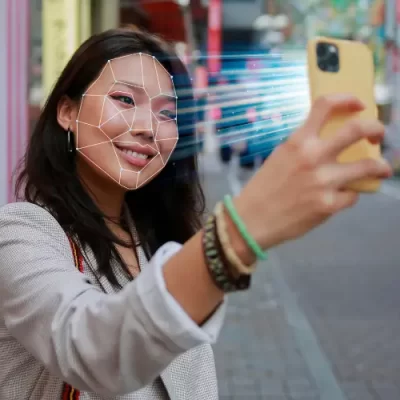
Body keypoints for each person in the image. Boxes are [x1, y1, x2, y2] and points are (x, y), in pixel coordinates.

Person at [0, 28, 392, 400]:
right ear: (67, 112)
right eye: (124, 100)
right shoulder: (23, 233)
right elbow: (90, 347)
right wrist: (240, 231)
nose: (148, 128)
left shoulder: (160, 239)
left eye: (168, 114)